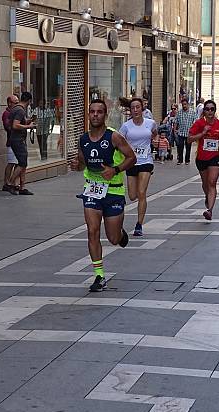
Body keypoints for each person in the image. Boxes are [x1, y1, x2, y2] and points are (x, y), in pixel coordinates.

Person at [70, 99, 136, 292]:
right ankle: (99, 276)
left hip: (114, 190)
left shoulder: (114, 137)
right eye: (92, 112)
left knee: (113, 238)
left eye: (99, 112)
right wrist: (77, 166)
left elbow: (132, 158)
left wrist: (115, 170)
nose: (95, 115)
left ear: (105, 115)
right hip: (92, 190)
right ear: (88, 114)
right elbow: (83, 162)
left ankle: (121, 234)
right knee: (92, 231)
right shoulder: (83, 139)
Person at [119, 98, 158, 236]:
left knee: (142, 193)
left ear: (142, 109)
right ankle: (139, 222)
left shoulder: (150, 123)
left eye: (138, 107)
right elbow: (118, 142)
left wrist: (154, 141)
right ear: (130, 110)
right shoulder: (126, 126)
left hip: (146, 162)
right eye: (133, 108)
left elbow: (154, 133)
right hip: (131, 163)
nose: (135, 110)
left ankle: (139, 225)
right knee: (132, 196)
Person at [188, 99, 219, 221]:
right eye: (207, 109)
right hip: (201, 158)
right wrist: (202, 133)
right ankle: (207, 196)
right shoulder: (198, 123)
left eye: (212, 109)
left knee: (212, 182)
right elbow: (189, 139)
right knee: (205, 184)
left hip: (215, 156)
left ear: (214, 111)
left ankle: (209, 210)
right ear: (204, 111)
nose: (210, 111)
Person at [8, 91, 35, 195]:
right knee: (22, 163)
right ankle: (10, 183)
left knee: (22, 163)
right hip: (18, 140)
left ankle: (21, 186)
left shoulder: (16, 109)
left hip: (17, 139)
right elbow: (15, 125)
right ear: (29, 101)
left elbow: (18, 123)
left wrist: (28, 121)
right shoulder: (20, 110)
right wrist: (29, 126)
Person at [1, 95, 21, 192]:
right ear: (9, 103)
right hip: (12, 141)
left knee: (18, 163)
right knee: (11, 163)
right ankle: (7, 182)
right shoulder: (6, 113)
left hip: (18, 141)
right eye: (15, 103)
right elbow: (8, 127)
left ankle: (15, 183)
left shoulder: (16, 112)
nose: (17, 104)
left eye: (18, 102)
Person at [174, 97, 196, 165]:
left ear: (188, 104)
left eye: (185, 104)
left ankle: (187, 160)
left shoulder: (192, 112)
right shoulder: (179, 112)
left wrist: (194, 132)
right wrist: (175, 130)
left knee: (188, 147)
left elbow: (195, 122)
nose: (184, 106)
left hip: (189, 133)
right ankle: (180, 160)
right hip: (181, 133)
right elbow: (176, 121)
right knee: (180, 147)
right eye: (183, 104)